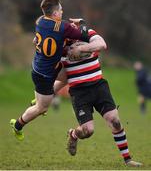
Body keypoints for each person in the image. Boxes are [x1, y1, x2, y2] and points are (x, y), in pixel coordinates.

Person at [53, 26, 143, 167]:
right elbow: (61, 76)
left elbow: (102, 44)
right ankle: (73, 135)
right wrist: (46, 93)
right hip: (79, 92)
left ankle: (127, 160)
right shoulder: (59, 46)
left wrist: (82, 49)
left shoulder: (86, 34)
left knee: (115, 121)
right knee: (88, 131)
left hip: (99, 86)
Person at [10, 0, 92, 141]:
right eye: (60, 10)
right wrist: (82, 22)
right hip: (44, 75)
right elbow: (85, 35)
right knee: (41, 109)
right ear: (54, 14)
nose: (62, 11)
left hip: (45, 66)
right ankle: (17, 125)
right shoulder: (63, 27)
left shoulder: (41, 22)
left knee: (69, 76)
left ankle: (40, 98)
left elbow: (48, 36)